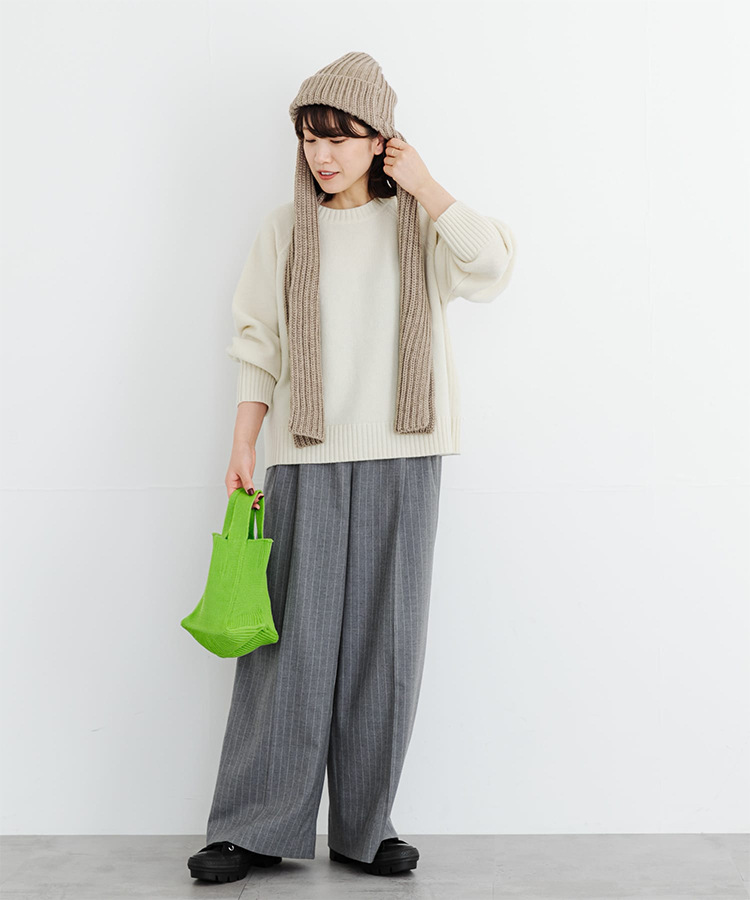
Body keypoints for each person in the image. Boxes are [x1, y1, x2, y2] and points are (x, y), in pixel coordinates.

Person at [187, 50, 517, 883]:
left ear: (380, 141)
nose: (322, 154)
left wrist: (426, 185)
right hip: (305, 453)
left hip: (406, 452)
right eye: (310, 137)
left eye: (340, 137)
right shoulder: (284, 230)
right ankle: (255, 825)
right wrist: (242, 442)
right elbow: (258, 341)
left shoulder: (420, 226)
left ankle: (366, 828)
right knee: (286, 648)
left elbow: (492, 266)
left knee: (385, 647)